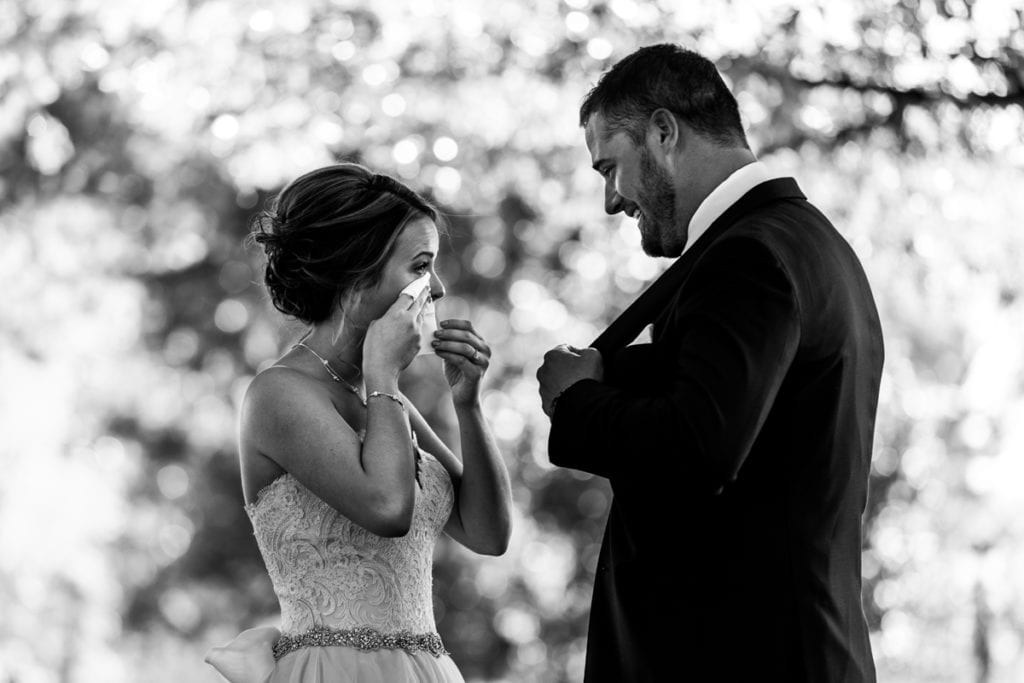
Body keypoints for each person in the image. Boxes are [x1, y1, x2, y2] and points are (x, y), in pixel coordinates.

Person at [537, 44, 883, 682]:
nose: (612, 201)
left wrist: (577, 400)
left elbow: (699, 446)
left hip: (747, 657)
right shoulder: (805, 243)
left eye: (610, 168)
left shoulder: (746, 259)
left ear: (664, 132)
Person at [204, 163, 513, 683]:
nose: (435, 289)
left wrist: (469, 405)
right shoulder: (278, 395)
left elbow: (488, 533)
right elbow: (388, 507)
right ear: (358, 274)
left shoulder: (386, 402)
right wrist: (383, 376)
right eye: (419, 267)